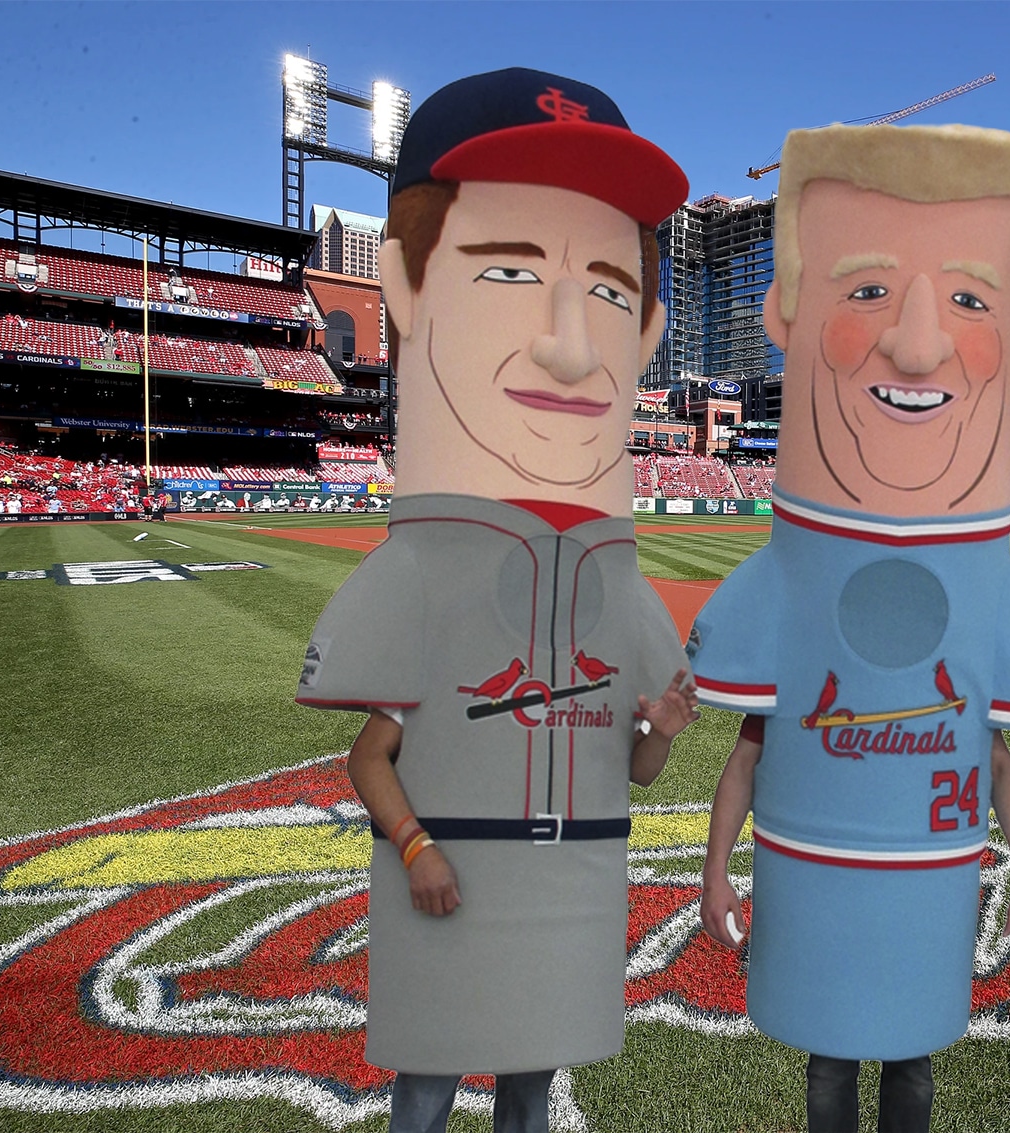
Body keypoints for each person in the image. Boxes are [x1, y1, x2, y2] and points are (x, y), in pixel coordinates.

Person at [295, 69, 695, 1133]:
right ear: (407, 287)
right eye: (511, 269)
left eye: (610, 291)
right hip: (452, 882)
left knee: (529, 1083)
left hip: (561, 898)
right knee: (428, 1084)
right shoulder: (424, 575)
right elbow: (368, 750)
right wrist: (418, 845)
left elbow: (637, 762)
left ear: (647, 327)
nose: (573, 340)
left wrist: (662, 729)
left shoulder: (618, 586)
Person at [689, 123, 1010, 1133]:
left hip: (929, 882)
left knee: (911, 1066)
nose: (917, 341)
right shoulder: (786, 586)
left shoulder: (991, 595)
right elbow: (746, 752)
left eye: (970, 299)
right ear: (792, 310)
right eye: (865, 289)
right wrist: (716, 862)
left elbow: (994, 761)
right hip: (817, 874)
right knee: (828, 1069)